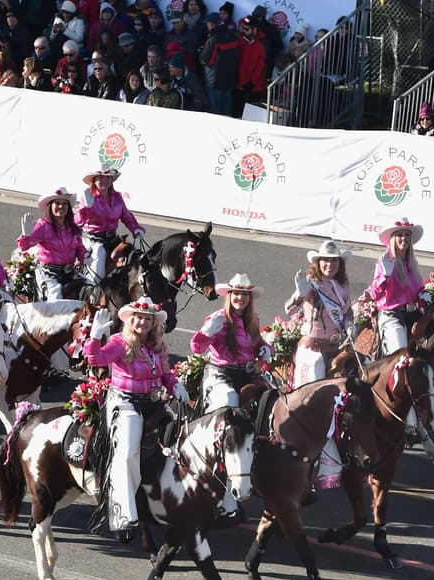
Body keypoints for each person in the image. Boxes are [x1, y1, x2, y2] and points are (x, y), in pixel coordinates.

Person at [83, 296, 187, 537]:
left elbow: (165, 374)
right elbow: (96, 359)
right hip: (125, 402)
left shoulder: (158, 346)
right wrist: (95, 338)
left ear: (154, 323)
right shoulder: (119, 342)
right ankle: (122, 515)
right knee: (128, 452)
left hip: (153, 402)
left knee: (182, 436)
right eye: (138, 318)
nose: (143, 322)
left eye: (147, 319)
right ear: (130, 320)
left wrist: (175, 385)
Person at [284, 240, 352, 490]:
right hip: (313, 351)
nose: (330, 265)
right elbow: (291, 310)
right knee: (314, 404)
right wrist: (299, 293)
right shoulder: (311, 284)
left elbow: (347, 313)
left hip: (335, 349)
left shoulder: (342, 285)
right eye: (325, 260)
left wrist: (350, 325)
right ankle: (308, 455)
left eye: (334, 261)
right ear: (318, 262)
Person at [191, 272, 271, 411]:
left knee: (271, 398)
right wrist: (205, 334)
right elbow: (197, 349)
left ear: (250, 298)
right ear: (229, 296)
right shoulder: (218, 319)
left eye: (245, 294)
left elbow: (257, 344)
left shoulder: (253, 320)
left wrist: (267, 349)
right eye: (236, 293)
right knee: (230, 401)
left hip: (248, 375)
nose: (240, 298)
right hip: (221, 374)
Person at [76, 168, 144, 284]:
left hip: (113, 239)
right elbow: (77, 222)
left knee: (139, 254)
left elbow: (126, 216)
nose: (105, 180)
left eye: (108, 177)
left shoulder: (117, 197)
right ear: (94, 180)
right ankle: (92, 289)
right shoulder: (88, 197)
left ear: (112, 180)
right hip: (93, 241)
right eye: (100, 177)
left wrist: (136, 228)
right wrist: (85, 208)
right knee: (97, 270)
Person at [18, 186, 87, 301]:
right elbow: (24, 246)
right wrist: (25, 235)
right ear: (50, 206)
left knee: (90, 290)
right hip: (49, 274)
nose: (61, 206)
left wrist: (85, 257)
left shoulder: (72, 226)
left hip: (70, 273)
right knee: (56, 299)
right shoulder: (43, 225)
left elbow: (79, 247)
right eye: (57, 203)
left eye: (64, 204)